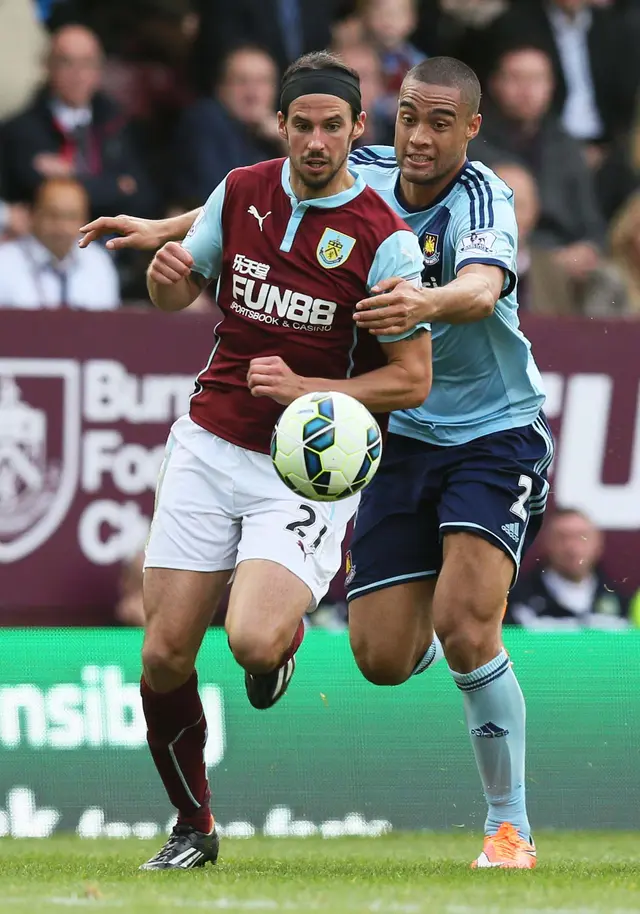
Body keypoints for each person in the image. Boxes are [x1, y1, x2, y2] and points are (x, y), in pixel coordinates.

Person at [80, 55, 552, 870]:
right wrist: (165, 232)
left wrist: (422, 302)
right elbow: (253, 195)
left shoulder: (483, 198)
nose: (420, 137)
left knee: (469, 623)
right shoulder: (357, 161)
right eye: (409, 116)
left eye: (441, 123)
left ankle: (508, 825)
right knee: (379, 659)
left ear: (471, 130)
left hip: (487, 431)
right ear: (386, 118)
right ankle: (203, 812)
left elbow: (479, 288)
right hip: (390, 434)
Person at [1, 24, 155, 219]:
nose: (77, 73)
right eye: (66, 63)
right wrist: (115, 187)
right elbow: (39, 196)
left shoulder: (118, 123)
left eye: (87, 63)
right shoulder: (20, 130)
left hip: (110, 242)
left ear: (100, 70)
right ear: (47, 66)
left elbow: (143, 196)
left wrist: (70, 178)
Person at [0, 176, 119, 309]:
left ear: (85, 220)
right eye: (53, 215)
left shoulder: (98, 262)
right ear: (33, 215)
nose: (63, 227)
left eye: (72, 217)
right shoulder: (4, 262)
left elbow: (108, 325)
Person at [507, 508, 629, 630]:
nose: (572, 548)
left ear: (598, 544)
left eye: (582, 537)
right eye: (562, 538)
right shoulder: (517, 601)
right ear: (545, 543)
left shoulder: (621, 602)